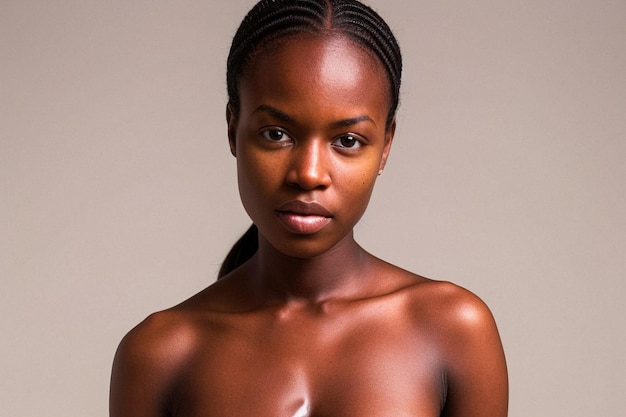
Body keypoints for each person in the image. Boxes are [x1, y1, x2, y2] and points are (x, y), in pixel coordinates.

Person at [109, 0, 508, 416]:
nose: (309, 173)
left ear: (386, 145)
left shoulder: (453, 328)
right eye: (276, 133)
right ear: (233, 128)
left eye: (348, 141)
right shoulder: (159, 353)